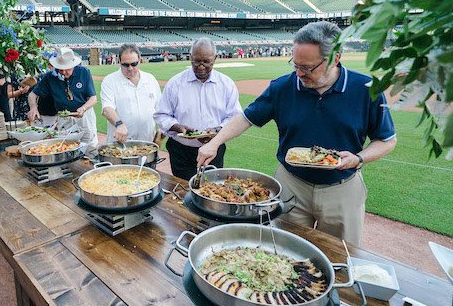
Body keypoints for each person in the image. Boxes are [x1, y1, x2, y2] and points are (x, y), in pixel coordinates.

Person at [197, 22, 397, 246]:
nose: (299, 73)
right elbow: (246, 118)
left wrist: (359, 158)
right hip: (291, 184)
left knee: (340, 254)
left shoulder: (367, 89)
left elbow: (386, 140)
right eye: (295, 64)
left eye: (308, 68)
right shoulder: (283, 87)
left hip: (343, 187)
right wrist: (215, 142)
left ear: (335, 59)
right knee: (282, 249)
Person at [153, 37, 241, 180]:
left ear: (215, 58)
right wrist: (178, 127)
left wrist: (217, 131)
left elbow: (235, 117)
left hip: (213, 149)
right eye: (196, 61)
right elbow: (161, 115)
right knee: (183, 189)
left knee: (211, 190)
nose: (201, 67)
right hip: (182, 151)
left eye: (206, 62)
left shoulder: (226, 84)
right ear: (190, 58)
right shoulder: (175, 83)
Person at [28, 47, 98, 146]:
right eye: (60, 69)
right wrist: (33, 108)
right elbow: (32, 94)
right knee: (65, 144)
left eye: (67, 69)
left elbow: (93, 99)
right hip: (64, 117)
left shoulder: (84, 72)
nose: (64, 72)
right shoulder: (50, 77)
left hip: (84, 115)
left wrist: (83, 108)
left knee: (88, 143)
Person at [101, 44, 161, 144]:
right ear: (119, 62)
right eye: (125, 65)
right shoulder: (110, 81)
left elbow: (160, 108)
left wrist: (161, 130)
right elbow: (107, 109)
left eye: (134, 64)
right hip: (121, 145)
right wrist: (119, 124)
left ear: (139, 60)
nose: (130, 68)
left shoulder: (150, 79)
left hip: (147, 144)